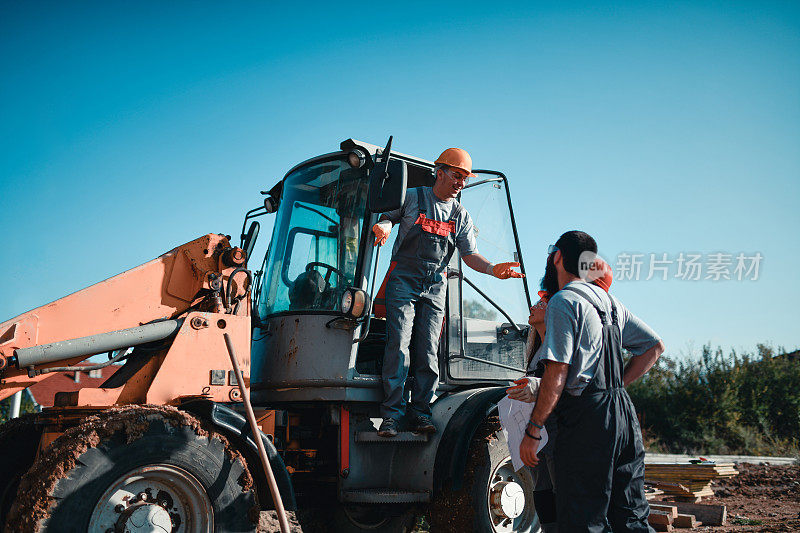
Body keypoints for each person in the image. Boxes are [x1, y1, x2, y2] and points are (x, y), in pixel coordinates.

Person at [519, 231, 665, 532]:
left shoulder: (563, 301)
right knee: (630, 515)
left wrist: (534, 430)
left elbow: (557, 372)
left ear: (557, 257)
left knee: (583, 519)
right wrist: (617, 388)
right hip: (623, 415)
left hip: (587, 419)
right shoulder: (609, 302)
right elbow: (654, 347)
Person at [373, 147, 523, 437]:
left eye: (465, 179)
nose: (460, 183)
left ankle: (419, 412)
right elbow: (388, 218)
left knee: (428, 350)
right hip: (403, 279)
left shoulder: (460, 215)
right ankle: (392, 415)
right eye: (457, 176)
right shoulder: (413, 197)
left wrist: (493, 269)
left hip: (435, 285)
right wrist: (384, 225)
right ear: (439, 173)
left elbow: (470, 255)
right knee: (398, 345)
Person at [507, 258, 613, 533]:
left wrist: (536, 388)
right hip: (542, 436)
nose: (535, 305)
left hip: (565, 431)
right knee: (542, 489)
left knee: (566, 492)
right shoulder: (534, 349)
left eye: (543, 299)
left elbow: (571, 382)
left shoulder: (569, 341)